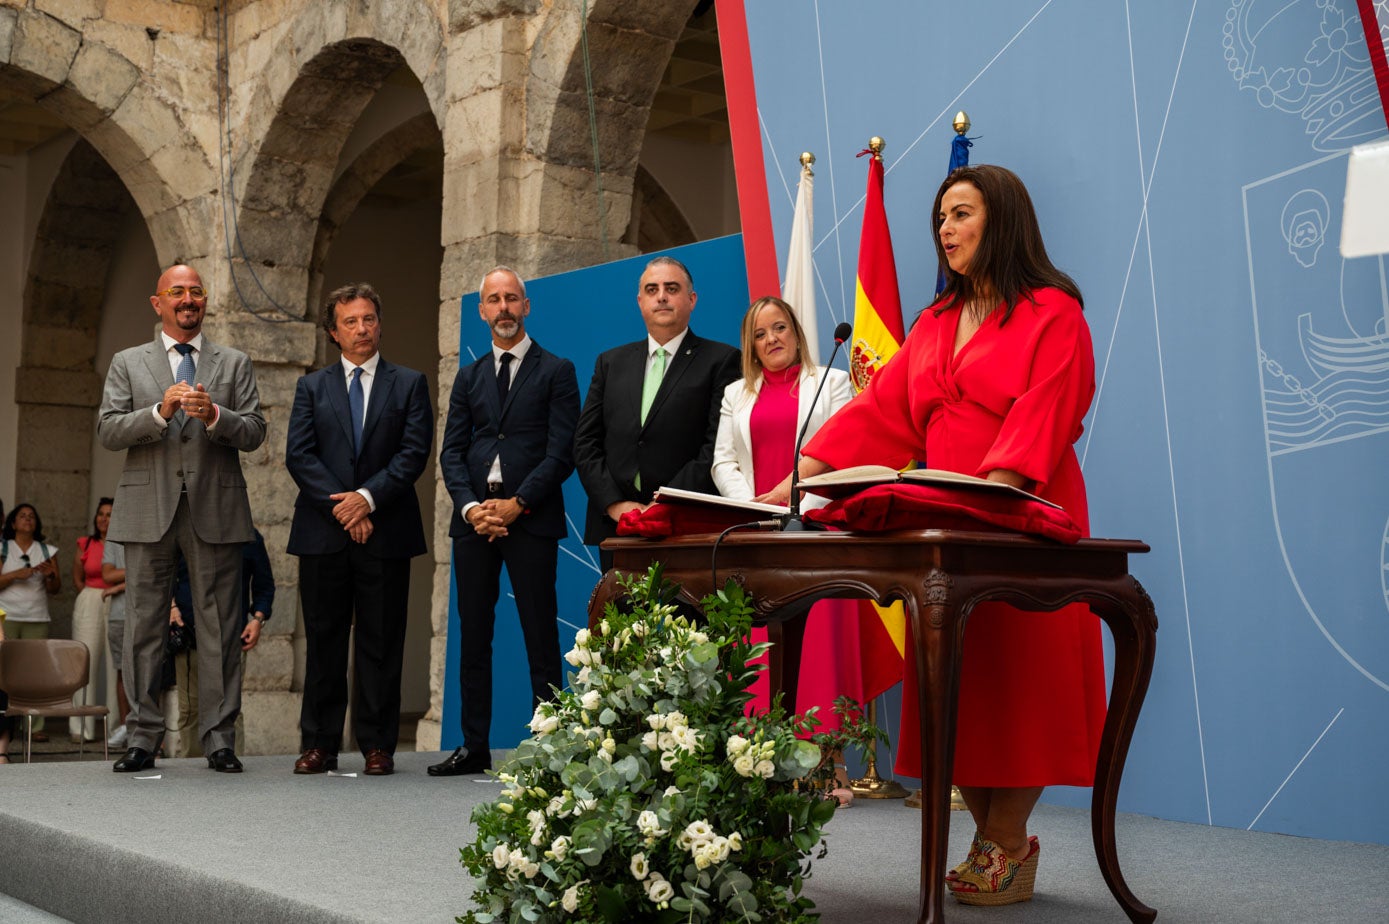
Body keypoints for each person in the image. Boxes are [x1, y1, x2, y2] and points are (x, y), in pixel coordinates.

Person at [777, 165, 1103, 905]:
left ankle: (1006, 839)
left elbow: (1044, 414)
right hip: (941, 522)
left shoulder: (1054, 311)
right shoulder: (929, 323)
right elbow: (882, 413)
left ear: (1004, 220)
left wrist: (996, 494)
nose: (945, 230)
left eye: (959, 214)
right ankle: (997, 843)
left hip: (1017, 514)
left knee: (1017, 678)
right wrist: (806, 468)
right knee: (956, 677)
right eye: (939, 219)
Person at [98, 264, 266, 773]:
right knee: (144, 627)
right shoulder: (129, 363)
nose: (188, 299)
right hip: (146, 510)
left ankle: (219, 738)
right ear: (158, 303)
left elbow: (256, 431)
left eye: (196, 291)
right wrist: (158, 413)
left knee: (219, 626)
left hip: (215, 507)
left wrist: (215, 416)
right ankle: (144, 738)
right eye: (177, 292)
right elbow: (108, 430)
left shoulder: (233, 363)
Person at [431, 267, 580, 777]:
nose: (503, 309)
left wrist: (518, 504)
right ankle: (474, 746)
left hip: (530, 518)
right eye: (493, 300)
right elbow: (451, 453)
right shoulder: (469, 377)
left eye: (511, 299)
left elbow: (562, 452)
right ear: (481, 311)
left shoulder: (557, 370)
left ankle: (550, 750)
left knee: (540, 635)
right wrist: (473, 509)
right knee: (474, 636)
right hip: (475, 521)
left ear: (526, 306)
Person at [286, 282, 433, 777]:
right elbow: (299, 456)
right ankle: (319, 744)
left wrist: (367, 499)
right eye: (350, 321)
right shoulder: (311, 387)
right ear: (334, 331)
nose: (362, 328)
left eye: (369, 318)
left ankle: (377, 745)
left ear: (379, 324)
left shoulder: (409, 383)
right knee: (324, 641)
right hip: (323, 534)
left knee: (381, 641)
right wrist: (346, 509)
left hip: (386, 530)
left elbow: (413, 453)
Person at [710, 296, 860, 734]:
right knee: (760, 642)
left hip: (816, 528)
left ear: (795, 332)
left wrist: (799, 507)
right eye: (760, 334)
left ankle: (826, 760)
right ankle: (757, 754)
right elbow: (723, 462)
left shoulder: (831, 383)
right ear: (750, 347)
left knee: (815, 645)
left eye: (779, 328)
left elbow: (843, 454)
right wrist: (752, 506)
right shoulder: (735, 394)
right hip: (755, 533)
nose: (771, 338)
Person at [574, 256, 740, 568]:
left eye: (671, 288)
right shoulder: (610, 363)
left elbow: (716, 446)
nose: (661, 296)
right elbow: (585, 442)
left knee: (688, 618)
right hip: (618, 527)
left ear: (691, 300)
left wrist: (664, 503)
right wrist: (615, 504)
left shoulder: (722, 360)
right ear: (640, 302)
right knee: (620, 617)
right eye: (652, 289)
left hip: (685, 524)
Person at [167, 529, 274, 757]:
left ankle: (230, 763)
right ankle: (192, 767)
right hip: (189, 634)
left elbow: (265, 587)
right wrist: (172, 606)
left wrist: (257, 620)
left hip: (231, 635)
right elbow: (164, 576)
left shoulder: (250, 537)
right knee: (190, 709)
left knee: (229, 709)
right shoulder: (187, 533)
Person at [0, 503, 62, 742]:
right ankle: (6, 723)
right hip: (6, 617)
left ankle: (35, 726)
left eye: (31, 516)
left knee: (35, 673)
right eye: (22, 516)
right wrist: (18, 574)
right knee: (5, 672)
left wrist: (50, 576)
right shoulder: (4, 548)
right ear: (13, 523)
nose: (27, 519)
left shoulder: (47, 551)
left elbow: (56, 589)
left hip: (36, 617)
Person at [70, 497, 114, 743]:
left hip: (117, 599)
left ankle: (114, 729)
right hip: (90, 599)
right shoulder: (85, 543)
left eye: (109, 514)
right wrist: (89, 594)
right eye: (100, 514)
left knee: (114, 666)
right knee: (83, 662)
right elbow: (77, 576)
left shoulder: (122, 543)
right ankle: (80, 727)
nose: (103, 518)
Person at [100, 537, 132, 749]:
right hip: (119, 616)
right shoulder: (113, 541)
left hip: (146, 614)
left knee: (148, 671)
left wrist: (119, 586)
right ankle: (125, 726)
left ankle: (147, 729)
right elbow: (107, 574)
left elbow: (156, 571)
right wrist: (135, 574)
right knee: (122, 671)